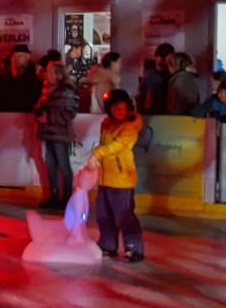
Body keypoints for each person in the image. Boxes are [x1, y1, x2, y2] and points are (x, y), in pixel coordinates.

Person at [92, 90, 145, 262]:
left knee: (124, 215)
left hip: (121, 180)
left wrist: (97, 154)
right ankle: (108, 244)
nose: (119, 112)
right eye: (115, 108)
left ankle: (134, 248)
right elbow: (104, 146)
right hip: (105, 179)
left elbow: (117, 146)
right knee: (103, 214)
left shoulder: (129, 127)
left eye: (123, 108)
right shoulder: (107, 124)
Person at [35, 56, 80, 212]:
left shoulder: (67, 90)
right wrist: (39, 113)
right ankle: (53, 197)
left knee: (63, 166)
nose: (46, 74)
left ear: (58, 74)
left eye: (49, 72)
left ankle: (67, 198)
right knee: (51, 166)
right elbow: (41, 107)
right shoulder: (47, 89)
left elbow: (70, 113)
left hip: (60, 134)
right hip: (48, 133)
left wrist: (49, 118)